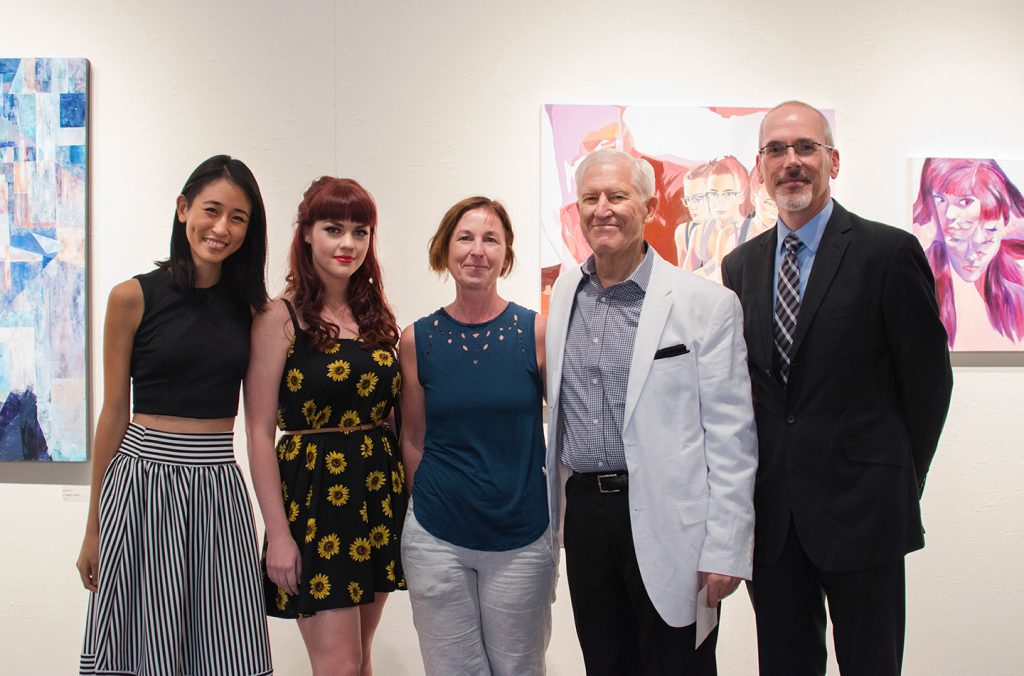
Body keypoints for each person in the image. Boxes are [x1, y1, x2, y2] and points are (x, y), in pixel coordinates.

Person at [721, 101, 953, 676]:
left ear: (834, 161)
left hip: (865, 513)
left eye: (805, 148)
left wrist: (895, 477)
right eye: (776, 150)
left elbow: (928, 385)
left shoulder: (888, 253)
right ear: (761, 168)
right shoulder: (739, 267)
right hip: (773, 521)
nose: (791, 162)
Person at [546, 148, 757, 675]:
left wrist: (727, 549)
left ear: (650, 204)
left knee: (677, 665)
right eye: (590, 198)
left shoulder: (706, 304)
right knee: (605, 662)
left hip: (671, 519)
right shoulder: (568, 293)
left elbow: (732, 437)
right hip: (588, 519)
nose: (603, 209)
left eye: (617, 196)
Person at [75, 155, 273, 675]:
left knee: (224, 643)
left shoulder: (253, 309)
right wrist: (93, 526)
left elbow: (260, 419)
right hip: (142, 483)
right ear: (183, 209)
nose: (221, 227)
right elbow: (114, 413)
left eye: (238, 218)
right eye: (211, 210)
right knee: (141, 642)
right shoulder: (131, 298)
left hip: (216, 486)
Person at [245, 177, 406, 675]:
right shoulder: (280, 317)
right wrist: (278, 533)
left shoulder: (375, 314)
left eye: (360, 232)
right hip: (314, 500)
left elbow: (395, 413)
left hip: (378, 493)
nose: (348, 244)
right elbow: (257, 431)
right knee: (337, 664)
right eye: (333, 228)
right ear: (307, 234)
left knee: (360, 660)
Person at [400, 196, 555, 676]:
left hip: (522, 536)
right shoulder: (415, 339)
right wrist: (425, 499)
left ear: (506, 255)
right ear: (444, 249)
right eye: (465, 237)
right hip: (435, 536)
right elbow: (412, 438)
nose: (477, 250)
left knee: (519, 669)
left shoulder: (536, 331)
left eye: (491, 239)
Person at [911, 157, 1024, 350]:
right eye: (939, 199)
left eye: (964, 201)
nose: (949, 215)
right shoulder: (924, 276)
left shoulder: (1015, 289)